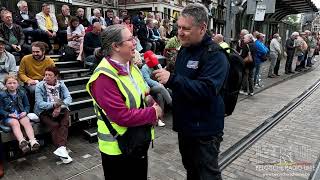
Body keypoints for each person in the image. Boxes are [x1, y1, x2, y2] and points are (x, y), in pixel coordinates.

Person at [153, 3, 229, 180]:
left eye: (185, 28)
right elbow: (183, 82)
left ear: (202, 28)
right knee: (191, 170)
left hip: (205, 131)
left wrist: (172, 79)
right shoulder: (185, 50)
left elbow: (208, 89)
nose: (180, 32)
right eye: (178, 27)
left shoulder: (215, 55)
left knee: (207, 174)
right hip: (186, 127)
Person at [86, 24, 162, 180]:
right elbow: (121, 116)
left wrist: (150, 101)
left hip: (137, 141)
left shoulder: (131, 66)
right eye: (130, 39)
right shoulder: (103, 77)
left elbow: (143, 93)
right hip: (117, 148)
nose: (135, 42)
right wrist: (153, 112)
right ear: (116, 46)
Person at [34, 66, 72, 164]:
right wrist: (54, 105)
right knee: (55, 125)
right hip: (44, 111)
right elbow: (40, 104)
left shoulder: (61, 84)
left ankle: (61, 149)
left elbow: (68, 98)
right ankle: (62, 149)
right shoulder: (40, 86)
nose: (47, 77)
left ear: (56, 76)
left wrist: (59, 107)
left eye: (50, 75)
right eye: (46, 74)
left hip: (60, 109)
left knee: (64, 122)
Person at [0, 75, 40, 153]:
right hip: (9, 116)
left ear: (18, 84)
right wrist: (8, 114)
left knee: (26, 121)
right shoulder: (2, 95)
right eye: (9, 83)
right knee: (15, 123)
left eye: (14, 83)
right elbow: (0, 109)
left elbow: (27, 105)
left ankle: (33, 141)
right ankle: (22, 142)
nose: (12, 85)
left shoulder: (22, 93)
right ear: (5, 85)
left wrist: (25, 112)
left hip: (20, 113)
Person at [18, 41, 55, 109]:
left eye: (37, 52)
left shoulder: (49, 61)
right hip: (30, 81)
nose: (35, 53)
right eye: (33, 51)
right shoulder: (25, 59)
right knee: (34, 89)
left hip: (44, 81)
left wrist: (47, 79)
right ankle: (34, 109)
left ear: (43, 51)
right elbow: (21, 73)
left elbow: (53, 74)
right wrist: (28, 80)